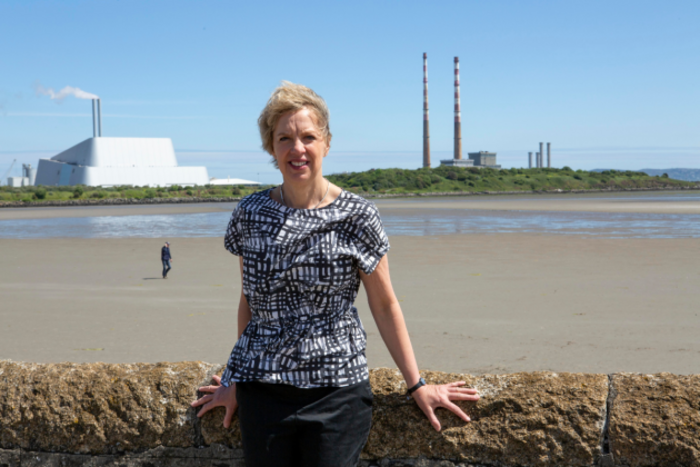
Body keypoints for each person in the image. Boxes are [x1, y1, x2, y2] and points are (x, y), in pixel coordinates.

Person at [191, 82, 480, 467]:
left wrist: (417, 384)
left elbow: (384, 303)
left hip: (337, 394)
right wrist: (233, 382)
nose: (298, 148)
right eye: (285, 138)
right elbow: (250, 302)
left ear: (326, 142)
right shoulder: (250, 213)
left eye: (308, 137)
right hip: (262, 393)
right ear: (271, 148)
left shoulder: (358, 215)